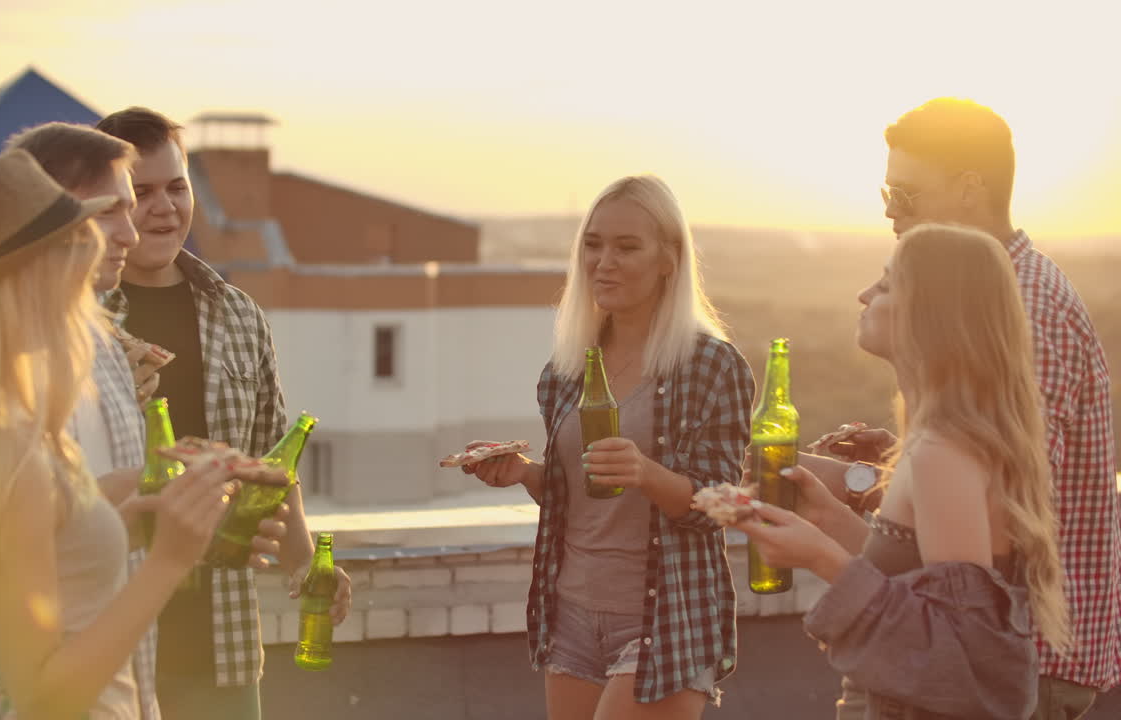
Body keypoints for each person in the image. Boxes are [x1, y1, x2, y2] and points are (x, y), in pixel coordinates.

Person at [803, 98, 1118, 719]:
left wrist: (854, 504)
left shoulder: (1024, 307)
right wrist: (893, 468)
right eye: (886, 193)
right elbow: (992, 467)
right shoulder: (1006, 290)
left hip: (1020, 674)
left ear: (970, 189)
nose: (890, 212)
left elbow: (1013, 500)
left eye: (906, 194)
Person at [0, 148, 236, 719]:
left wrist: (135, 515)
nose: (105, 252)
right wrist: (171, 560)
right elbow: (42, 697)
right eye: (81, 245)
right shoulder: (13, 456)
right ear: (38, 276)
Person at [738, 224, 1070, 719]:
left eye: (887, 284)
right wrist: (828, 519)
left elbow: (964, 658)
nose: (864, 294)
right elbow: (918, 583)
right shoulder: (938, 440)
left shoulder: (944, 453)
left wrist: (823, 558)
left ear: (931, 316)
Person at [95, 106, 352, 719]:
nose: (164, 208)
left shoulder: (239, 314)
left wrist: (305, 566)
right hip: (109, 642)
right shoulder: (76, 320)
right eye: (142, 192)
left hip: (224, 645)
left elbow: (272, 469)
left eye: (177, 187)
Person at [465, 175, 754, 719]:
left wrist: (648, 473)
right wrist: (526, 474)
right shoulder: (566, 370)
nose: (604, 262)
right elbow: (579, 498)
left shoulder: (712, 366)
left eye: (627, 247)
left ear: (669, 259)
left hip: (663, 620)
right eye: (593, 244)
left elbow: (720, 504)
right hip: (571, 613)